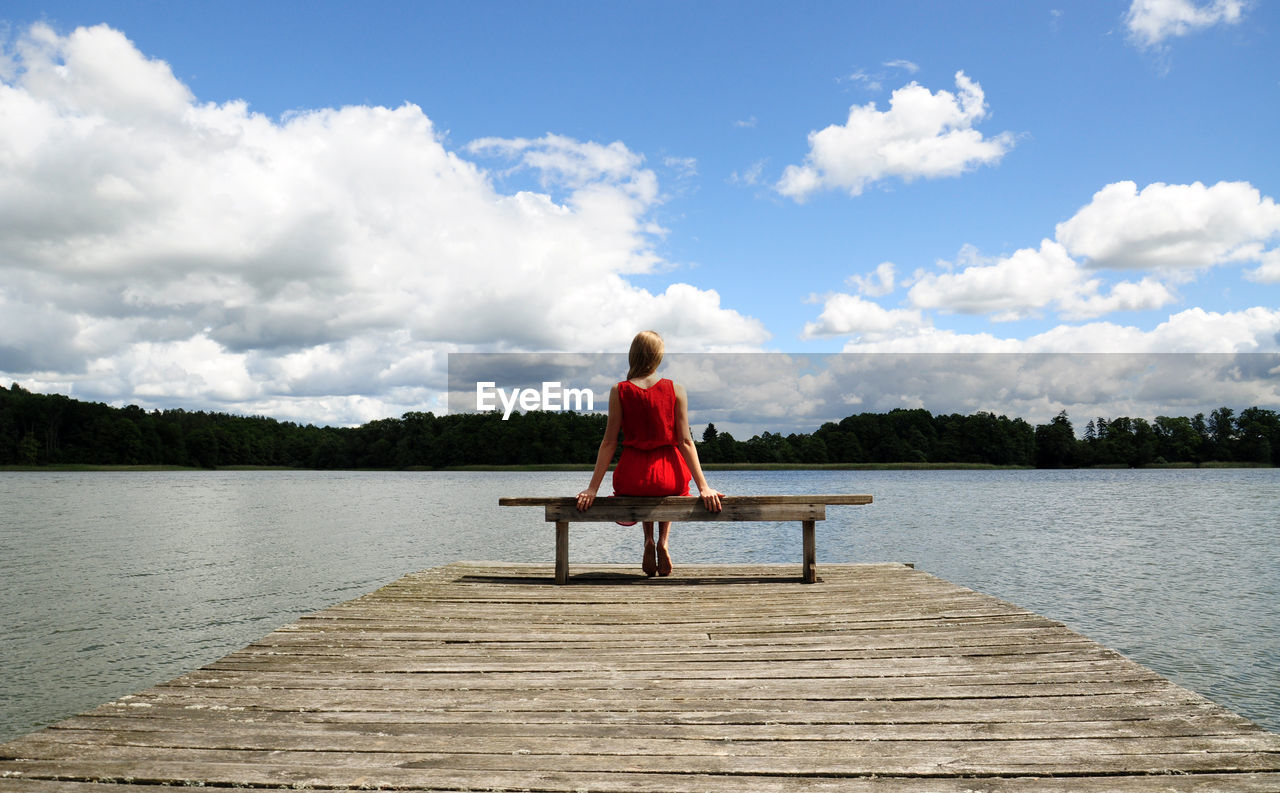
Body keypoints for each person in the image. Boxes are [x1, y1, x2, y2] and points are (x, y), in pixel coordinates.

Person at [576, 330, 722, 577]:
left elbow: (609, 442)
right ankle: (664, 542)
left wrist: (592, 489)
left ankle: (648, 541)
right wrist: (704, 487)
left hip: (632, 475)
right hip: (668, 473)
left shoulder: (619, 390)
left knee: (645, 488)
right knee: (667, 488)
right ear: (658, 357)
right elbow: (685, 441)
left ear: (633, 355)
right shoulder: (675, 389)